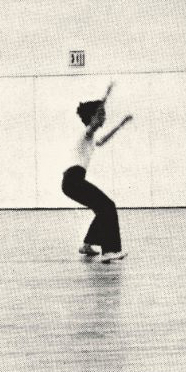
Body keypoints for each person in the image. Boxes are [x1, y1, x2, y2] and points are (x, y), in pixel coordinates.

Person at [61, 82, 133, 262]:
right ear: (92, 117)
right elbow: (93, 125)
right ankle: (110, 251)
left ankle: (87, 244)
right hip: (73, 180)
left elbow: (103, 140)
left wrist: (121, 124)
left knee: (102, 208)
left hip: (71, 182)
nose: (104, 117)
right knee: (108, 206)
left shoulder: (91, 139)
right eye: (101, 114)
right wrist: (106, 96)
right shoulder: (86, 133)